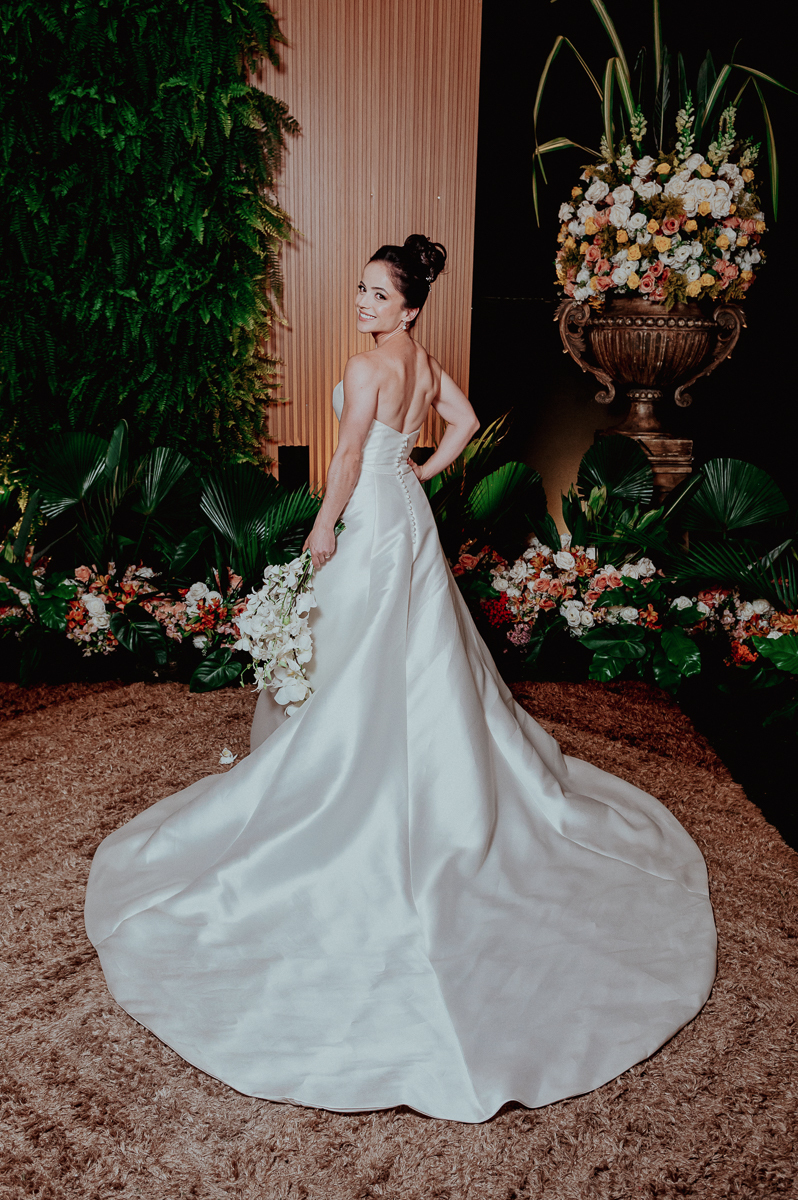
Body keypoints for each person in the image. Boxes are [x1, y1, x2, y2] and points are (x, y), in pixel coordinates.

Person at [85, 234, 717, 1124]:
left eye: (379, 295)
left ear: (410, 306)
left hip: (373, 516)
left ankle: (353, 784)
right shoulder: (421, 363)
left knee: (362, 648)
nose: (363, 304)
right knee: (417, 647)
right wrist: (421, 470)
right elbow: (462, 421)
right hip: (408, 515)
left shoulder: (368, 365)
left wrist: (324, 525)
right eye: (361, 290)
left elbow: (346, 458)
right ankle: (422, 773)